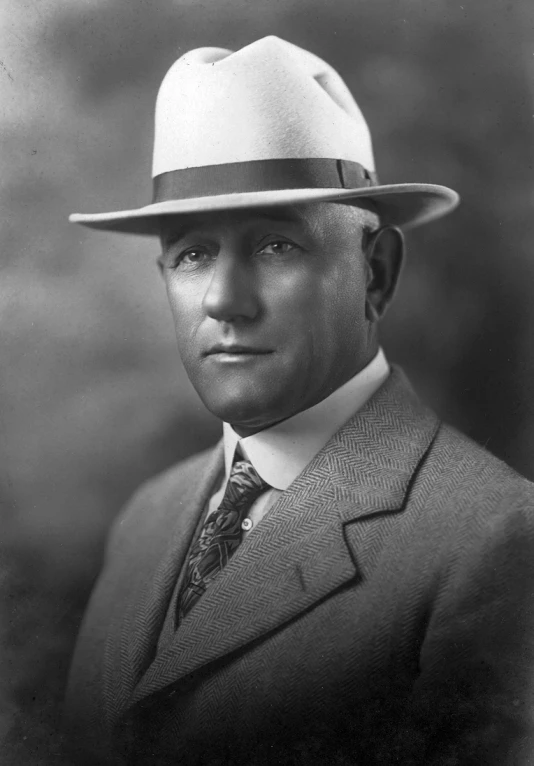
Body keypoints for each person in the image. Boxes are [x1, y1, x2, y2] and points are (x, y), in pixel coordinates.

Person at [64, 37, 534, 765]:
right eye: (191, 254)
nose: (223, 301)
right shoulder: (146, 517)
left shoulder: (494, 540)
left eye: (276, 246)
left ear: (375, 273)